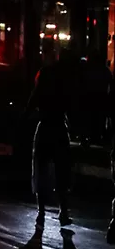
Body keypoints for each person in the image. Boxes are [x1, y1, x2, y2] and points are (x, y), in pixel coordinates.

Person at [28, 43, 77, 226]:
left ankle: (41, 212)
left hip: (46, 126)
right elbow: (71, 104)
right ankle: (62, 212)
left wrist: (26, 115)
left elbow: (35, 97)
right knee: (62, 170)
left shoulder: (45, 74)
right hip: (58, 127)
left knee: (41, 169)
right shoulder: (66, 78)